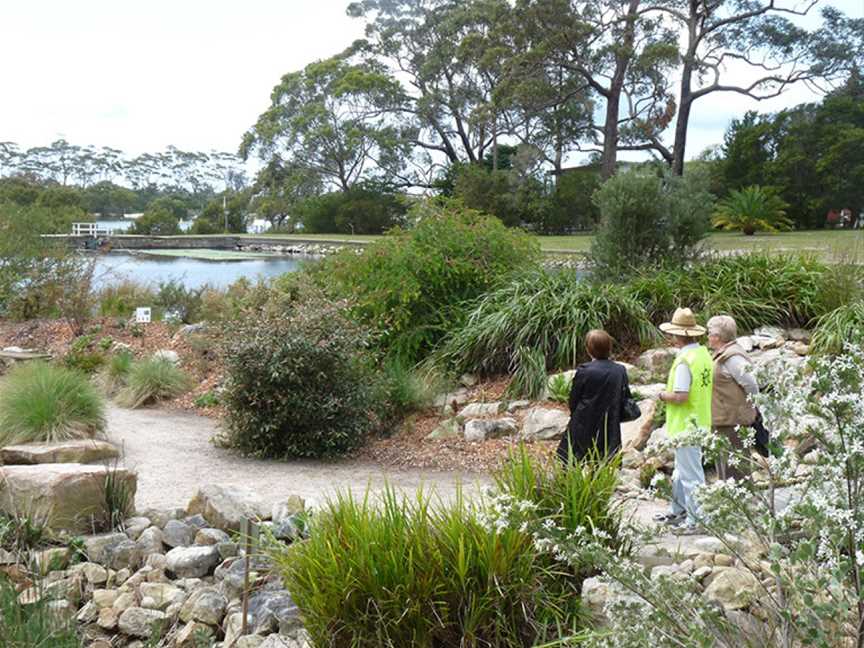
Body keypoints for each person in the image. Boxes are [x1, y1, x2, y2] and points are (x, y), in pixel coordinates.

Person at [653, 308, 713, 533]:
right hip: (699, 420)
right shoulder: (703, 355)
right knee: (681, 471)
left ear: (677, 335)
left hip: (685, 424)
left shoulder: (684, 361)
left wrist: (661, 395)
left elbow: (680, 395)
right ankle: (677, 509)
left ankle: (696, 520)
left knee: (690, 475)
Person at [556, 330, 632, 464]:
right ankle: (597, 482)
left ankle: (568, 483)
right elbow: (624, 396)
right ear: (609, 348)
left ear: (588, 350)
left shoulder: (584, 371)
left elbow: (574, 398)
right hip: (609, 421)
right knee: (601, 458)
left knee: (571, 458)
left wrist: (574, 414)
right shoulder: (620, 370)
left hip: (584, 419)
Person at [706, 315, 758, 481]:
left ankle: (745, 504)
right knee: (725, 465)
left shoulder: (733, 358)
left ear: (717, 337)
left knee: (736, 468)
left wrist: (750, 409)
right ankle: (731, 503)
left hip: (733, 421)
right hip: (724, 419)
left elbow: (752, 385)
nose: (707, 337)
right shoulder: (723, 354)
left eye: (709, 333)